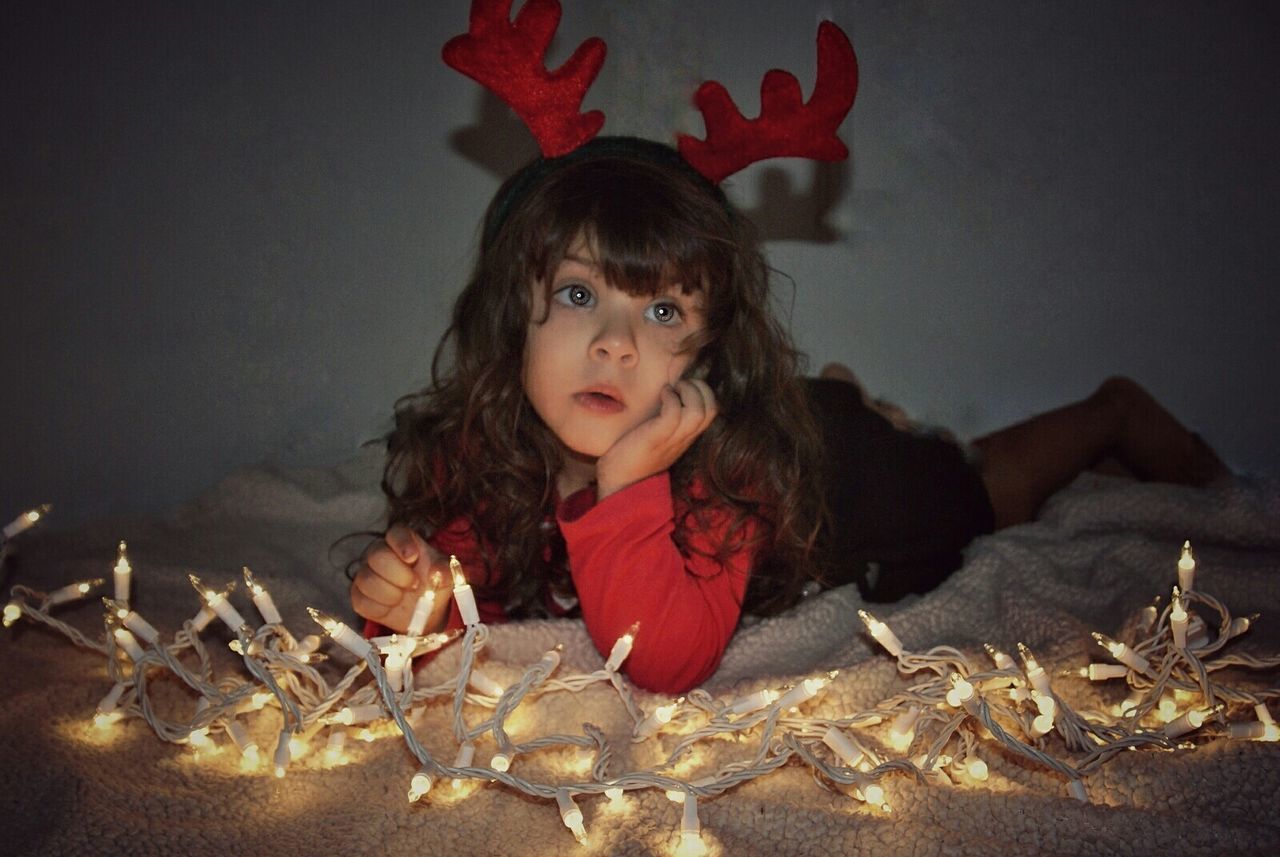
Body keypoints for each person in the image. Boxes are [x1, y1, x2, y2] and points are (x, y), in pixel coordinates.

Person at [349, 136, 1227, 694]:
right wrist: (415, 601)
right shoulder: (485, 446)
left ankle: (1111, 411)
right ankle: (852, 393)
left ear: (704, 354)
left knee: (980, 490)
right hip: (798, 424)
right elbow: (465, 587)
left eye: (662, 312)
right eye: (580, 293)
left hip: (840, 475)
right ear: (514, 318)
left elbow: (667, 660)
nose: (616, 343)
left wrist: (626, 483)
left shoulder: (726, 471)